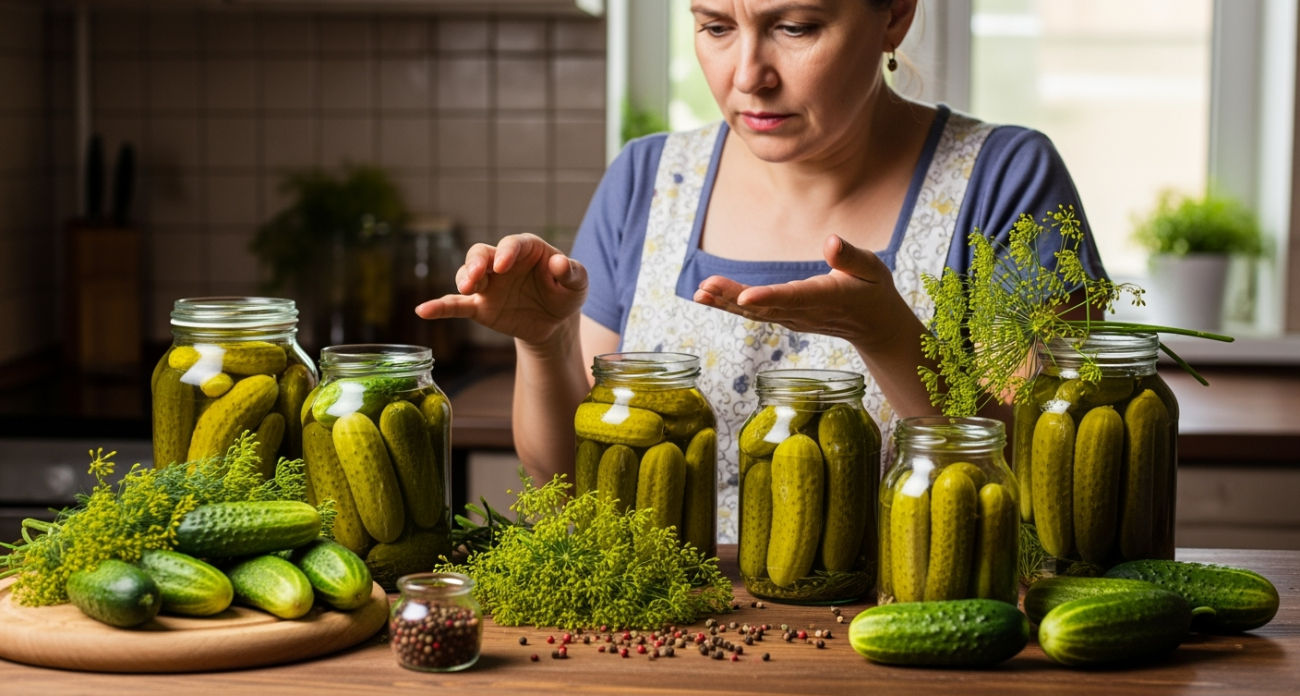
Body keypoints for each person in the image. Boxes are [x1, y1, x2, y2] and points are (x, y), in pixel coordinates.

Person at [416, 0, 1106, 542]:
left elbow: (1041, 482)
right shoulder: (646, 180)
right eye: (715, 26)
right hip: (669, 631)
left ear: (895, 13)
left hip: (909, 626)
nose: (748, 75)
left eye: (796, 27)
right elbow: (568, 479)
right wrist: (544, 343)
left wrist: (891, 339)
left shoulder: (1008, 180)